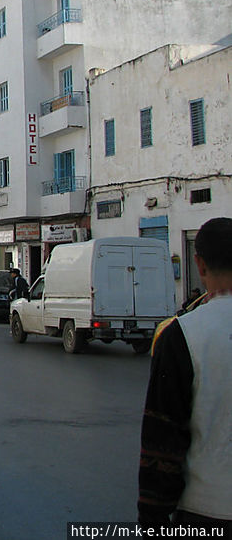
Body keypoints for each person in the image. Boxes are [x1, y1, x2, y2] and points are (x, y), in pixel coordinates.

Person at [138, 217, 232, 533]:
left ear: (199, 264)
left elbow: (162, 439)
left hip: (207, 511)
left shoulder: (181, 335)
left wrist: (152, 520)